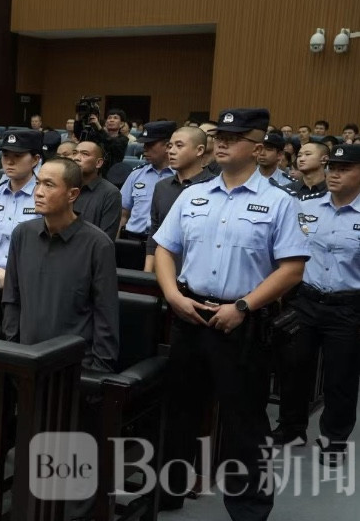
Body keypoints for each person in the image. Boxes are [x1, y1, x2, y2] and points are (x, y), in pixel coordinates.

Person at [153, 108, 309, 518]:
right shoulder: (194, 195)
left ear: (257, 148)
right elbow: (165, 249)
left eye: (234, 137)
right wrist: (172, 295)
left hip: (242, 322)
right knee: (180, 409)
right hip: (190, 313)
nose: (222, 142)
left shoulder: (278, 202)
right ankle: (169, 492)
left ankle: (249, 508)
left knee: (245, 420)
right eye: (220, 135)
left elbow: (292, 268)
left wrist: (243, 306)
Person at [281, 143, 360, 466]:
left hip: (348, 306)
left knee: (341, 378)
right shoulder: (305, 206)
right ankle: (291, 429)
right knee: (294, 369)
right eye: (332, 168)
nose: (335, 175)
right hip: (307, 300)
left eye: (345, 169)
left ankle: (334, 440)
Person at [2, 156, 119, 370]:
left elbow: (105, 313)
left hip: (74, 368)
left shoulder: (98, 244)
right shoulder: (22, 234)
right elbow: (11, 297)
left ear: (72, 194)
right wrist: (13, 348)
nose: (38, 192)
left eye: (49, 185)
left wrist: (98, 371)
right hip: (24, 360)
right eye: (38, 183)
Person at [0, 129, 43, 285]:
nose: (9, 162)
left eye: (17, 156)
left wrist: (13, 278)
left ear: (35, 160)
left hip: (29, 282)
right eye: (5, 156)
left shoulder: (43, 195)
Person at [143, 126, 215, 273]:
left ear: (199, 150)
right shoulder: (162, 187)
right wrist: (147, 270)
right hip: (164, 270)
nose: (171, 151)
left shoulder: (215, 187)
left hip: (200, 272)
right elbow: (155, 231)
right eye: (170, 146)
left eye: (179, 146)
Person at [119, 121, 176, 241]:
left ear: (168, 146)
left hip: (164, 242)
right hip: (133, 238)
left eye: (150, 144)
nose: (144, 148)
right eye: (144, 144)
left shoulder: (180, 176)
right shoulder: (136, 174)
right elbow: (123, 214)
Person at [70, 140, 121, 238]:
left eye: (85, 154)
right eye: (74, 153)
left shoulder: (110, 193)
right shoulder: (64, 186)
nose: (76, 158)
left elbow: (106, 238)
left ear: (98, 163)